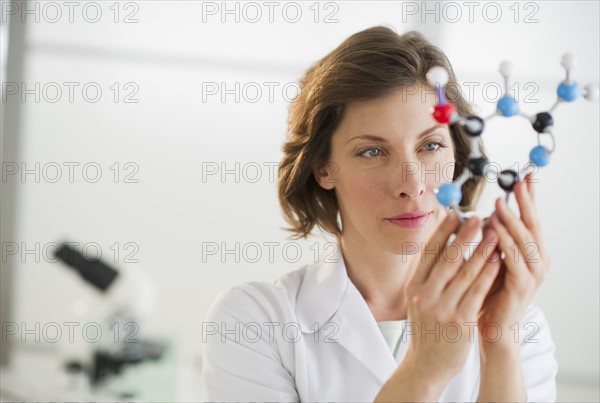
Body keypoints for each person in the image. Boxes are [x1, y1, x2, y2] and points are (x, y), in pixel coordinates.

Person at [201, 26, 558, 402]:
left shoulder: (520, 325)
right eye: (372, 152)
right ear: (323, 168)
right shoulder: (254, 321)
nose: (411, 183)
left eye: (431, 145)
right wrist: (424, 371)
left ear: (457, 156)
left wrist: (498, 343)